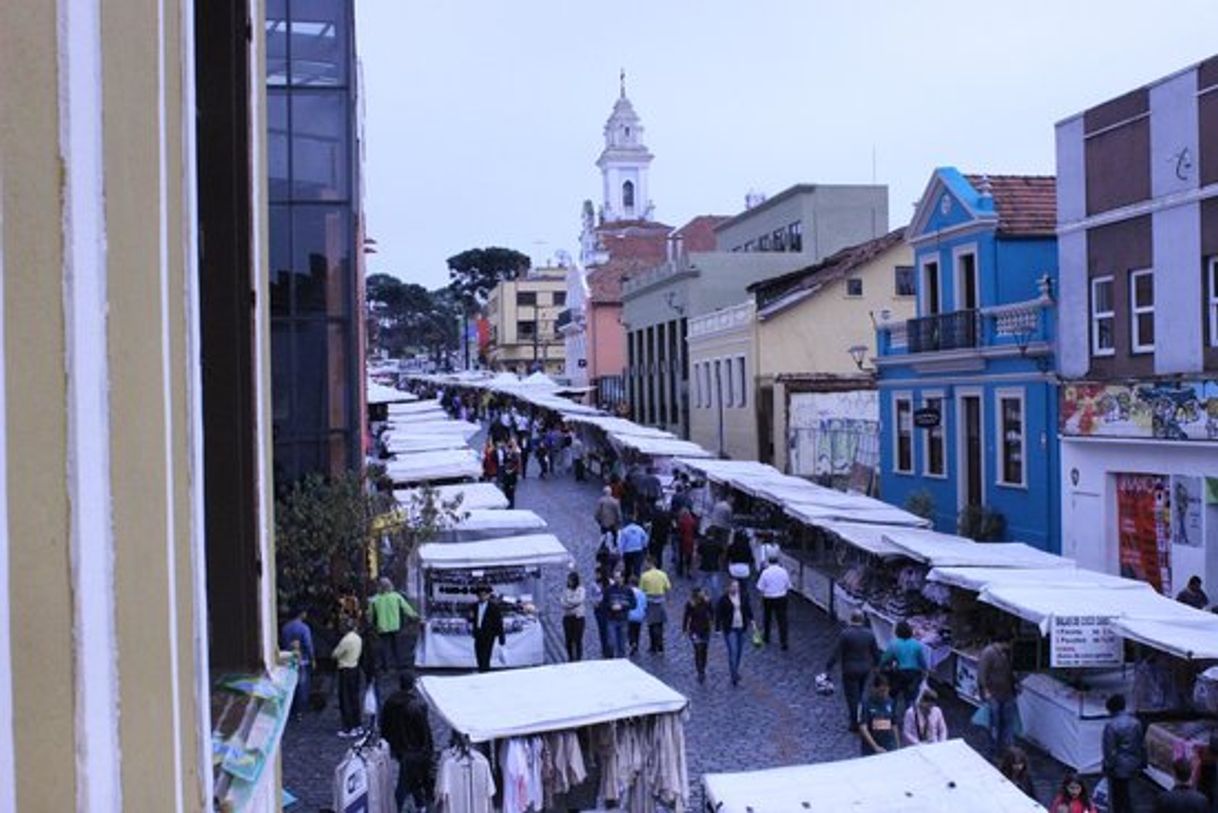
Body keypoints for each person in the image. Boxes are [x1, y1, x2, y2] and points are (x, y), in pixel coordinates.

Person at [381, 672, 435, 813]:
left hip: (398, 747)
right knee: (405, 783)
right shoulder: (415, 706)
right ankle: (400, 808)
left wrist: (388, 743)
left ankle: (420, 804)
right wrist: (428, 750)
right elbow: (424, 731)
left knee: (411, 778)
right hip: (414, 750)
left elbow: (384, 725)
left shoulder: (390, 702)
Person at [825, 611, 881, 731]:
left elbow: (836, 652)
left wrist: (828, 667)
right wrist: (878, 667)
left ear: (851, 619)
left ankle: (855, 721)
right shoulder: (869, 634)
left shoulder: (845, 634)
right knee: (860, 694)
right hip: (865, 669)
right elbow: (875, 653)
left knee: (851, 696)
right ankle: (860, 716)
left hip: (849, 669)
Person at [1102, 693, 1146, 813]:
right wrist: (1142, 762)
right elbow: (1141, 744)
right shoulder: (1136, 723)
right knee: (1129, 795)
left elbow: (1109, 750)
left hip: (1118, 767)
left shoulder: (1111, 725)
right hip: (1133, 763)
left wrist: (1107, 766)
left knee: (1118, 797)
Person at [978, 634, 1019, 757]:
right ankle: (993, 750)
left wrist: (1015, 683)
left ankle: (1008, 750)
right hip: (994, 695)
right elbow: (982, 673)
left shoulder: (1008, 654)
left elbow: (1010, 672)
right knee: (994, 724)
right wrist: (986, 692)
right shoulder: (988, 653)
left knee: (1008, 723)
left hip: (1008, 693)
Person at [879, 620, 929, 719]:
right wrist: (925, 673)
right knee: (910, 698)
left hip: (899, 674)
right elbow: (922, 662)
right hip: (913, 674)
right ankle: (910, 719)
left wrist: (882, 668)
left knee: (894, 696)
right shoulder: (916, 644)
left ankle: (891, 717)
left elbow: (885, 659)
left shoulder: (894, 644)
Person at [368, 577, 419, 673]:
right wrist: (414, 616)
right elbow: (406, 608)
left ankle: (386, 667)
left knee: (384, 647)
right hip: (395, 626)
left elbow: (370, 614)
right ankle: (397, 665)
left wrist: (370, 623)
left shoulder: (375, 599)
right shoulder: (396, 596)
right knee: (396, 646)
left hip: (382, 627)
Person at [714, 579, 753, 687]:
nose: (735, 588)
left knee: (739, 652)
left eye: (737, 586)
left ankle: (735, 670)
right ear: (728, 588)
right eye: (733, 586)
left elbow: (748, 609)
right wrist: (717, 628)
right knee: (733, 651)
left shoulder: (743, 597)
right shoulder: (723, 599)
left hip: (741, 627)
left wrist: (752, 620)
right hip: (730, 628)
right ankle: (734, 675)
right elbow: (718, 614)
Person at [280, 607, 314, 716]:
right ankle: (300, 710)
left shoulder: (285, 627)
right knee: (302, 685)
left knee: (290, 684)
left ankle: (290, 708)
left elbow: (282, 643)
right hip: (302, 660)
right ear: (302, 614)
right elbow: (308, 645)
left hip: (288, 659)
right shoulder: (304, 628)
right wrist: (312, 658)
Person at [332, 618, 364, 737]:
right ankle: (357, 725)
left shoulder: (346, 640)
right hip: (355, 668)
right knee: (354, 698)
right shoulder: (357, 638)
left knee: (345, 699)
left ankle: (349, 727)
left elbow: (335, 654)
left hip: (345, 670)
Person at [858, 673, 900, 756]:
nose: (884, 694)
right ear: (874, 689)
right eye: (881, 691)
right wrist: (875, 747)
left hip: (889, 745)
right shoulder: (865, 704)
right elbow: (863, 727)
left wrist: (897, 745)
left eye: (886, 691)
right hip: (871, 749)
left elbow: (894, 724)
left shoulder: (891, 702)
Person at [756, 554, 791, 650]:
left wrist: (760, 599)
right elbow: (788, 586)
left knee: (767, 618)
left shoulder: (765, 573)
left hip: (768, 597)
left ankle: (767, 637)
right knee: (782, 620)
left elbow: (760, 587)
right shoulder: (784, 572)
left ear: (769, 561)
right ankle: (784, 641)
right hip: (781, 597)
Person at [639, 556, 672, 654]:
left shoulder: (644, 576)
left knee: (651, 625)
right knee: (660, 625)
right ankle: (661, 646)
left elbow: (641, 591)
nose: (645, 565)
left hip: (650, 602)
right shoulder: (663, 574)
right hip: (660, 601)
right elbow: (667, 588)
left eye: (646, 563)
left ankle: (653, 646)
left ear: (650, 563)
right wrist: (668, 600)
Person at [469, 583, 505, 672]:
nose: (482, 597)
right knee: (478, 654)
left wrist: (501, 637)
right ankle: (481, 669)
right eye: (480, 595)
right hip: (478, 633)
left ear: (488, 595)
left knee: (486, 655)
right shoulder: (474, 606)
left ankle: (485, 672)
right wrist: (470, 617)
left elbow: (499, 622)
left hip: (489, 634)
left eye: (484, 595)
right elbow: (471, 619)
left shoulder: (494, 607)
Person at [682, 587, 714, 683]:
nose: (703, 594)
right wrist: (684, 628)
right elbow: (686, 616)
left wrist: (713, 621)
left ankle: (703, 668)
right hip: (694, 630)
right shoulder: (690, 604)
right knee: (698, 650)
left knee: (704, 650)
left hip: (705, 629)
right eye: (701, 592)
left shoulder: (707, 602)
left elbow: (712, 613)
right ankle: (700, 671)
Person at [601, 570, 635, 659]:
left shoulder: (628, 590)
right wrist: (610, 606)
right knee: (611, 642)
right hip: (611, 619)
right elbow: (603, 604)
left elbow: (633, 604)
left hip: (623, 619)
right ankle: (611, 658)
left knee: (622, 643)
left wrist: (622, 607)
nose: (617, 579)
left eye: (618, 577)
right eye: (615, 577)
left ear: (623, 578)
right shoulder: (608, 590)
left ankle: (621, 661)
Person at [560, 571, 586, 662]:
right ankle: (570, 657)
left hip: (578, 617)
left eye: (571, 580)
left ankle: (578, 658)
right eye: (568, 580)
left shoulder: (581, 590)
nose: (569, 582)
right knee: (568, 639)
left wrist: (569, 602)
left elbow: (579, 600)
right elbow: (562, 602)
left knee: (578, 639)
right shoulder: (565, 591)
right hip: (567, 617)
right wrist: (572, 603)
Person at [696, 527, 725, 601]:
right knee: (715, 586)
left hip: (703, 566)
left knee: (700, 584)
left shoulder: (702, 543)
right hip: (714, 567)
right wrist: (721, 564)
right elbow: (721, 555)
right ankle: (717, 600)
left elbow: (698, 555)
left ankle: (698, 598)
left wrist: (697, 564)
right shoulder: (718, 544)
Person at [589, 567, 611, 659]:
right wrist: (594, 603)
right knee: (602, 630)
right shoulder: (593, 584)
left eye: (598, 574)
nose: (596, 575)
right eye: (596, 574)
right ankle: (604, 648)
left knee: (609, 630)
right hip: (598, 609)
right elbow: (591, 596)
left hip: (608, 609)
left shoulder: (610, 583)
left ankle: (610, 648)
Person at [725, 529, 754, 598]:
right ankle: (744, 601)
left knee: (733, 587)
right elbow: (751, 560)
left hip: (733, 569)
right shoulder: (747, 547)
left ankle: (733, 600)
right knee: (744, 588)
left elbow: (727, 558)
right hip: (744, 570)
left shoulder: (731, 547)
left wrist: (727, 569)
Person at [626, 575, 647, 657]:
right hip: (639, 616)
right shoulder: (642, 593)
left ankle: (632, 643)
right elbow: (645, 605)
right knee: (637, 631)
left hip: (630, 615)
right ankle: (636, 645)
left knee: (630, 631)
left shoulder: (628, 592)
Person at [498, 440, 520, 509]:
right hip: (506, 480)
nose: (509, 450)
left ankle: (511, 507)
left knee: (511, 495)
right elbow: (503, 464)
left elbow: (516, 465)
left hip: (511, 480)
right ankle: (508, 506)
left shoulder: (515, 455)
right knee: (506, 494)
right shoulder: (506, 455)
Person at [675, 507, 697, 578]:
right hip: (690, 540)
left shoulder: (681, 521)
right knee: (689, 556)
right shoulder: (693, 521)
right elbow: (695, 531)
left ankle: (680, 570)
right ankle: (688, 570)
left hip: (682, 540)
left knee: (681, 555)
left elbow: (680, 531)